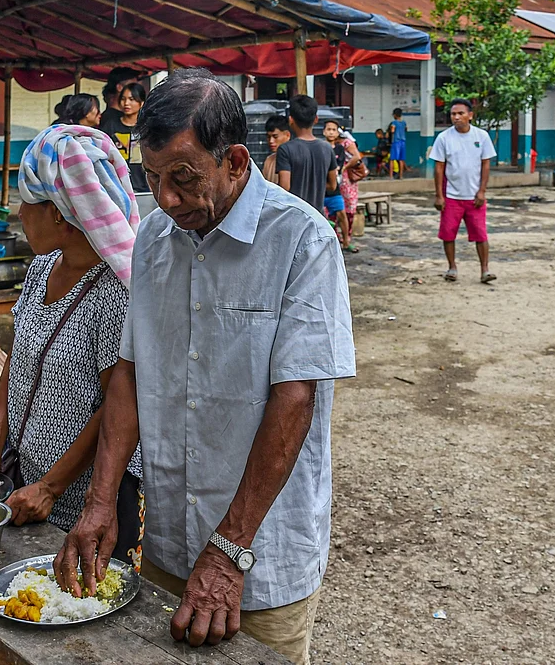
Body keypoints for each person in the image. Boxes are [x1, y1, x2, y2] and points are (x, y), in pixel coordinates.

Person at [57, 68, 355, 665]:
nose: (166, 198)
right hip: (170, 536)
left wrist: (230, 550)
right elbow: (130, 374)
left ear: (237, 162)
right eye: (153, 178)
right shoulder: (153, 240)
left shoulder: (303, 240)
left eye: (184, 179)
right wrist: (99, 500)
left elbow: (296, 399)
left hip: (259, 554)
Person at [0, 124, 144, 566]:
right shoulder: (42, 268)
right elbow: (19, 363)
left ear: (59, 213)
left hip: (83, 498)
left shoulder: (115, 291)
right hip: (27, 479)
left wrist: (52, 485)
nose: (19, 213)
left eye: (26, 203)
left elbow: (118, 408)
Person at [430, 98, 497, 283]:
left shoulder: (481, 136)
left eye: (460, 113)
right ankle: (452, 267)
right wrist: (439, 195)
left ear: (470, 115)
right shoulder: (444, 138)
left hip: (474, 196)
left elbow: (485, 165)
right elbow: (439, 168)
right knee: (448, 233)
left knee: (480, 234)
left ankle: (485, 270)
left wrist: (482, 191)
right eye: (453, 114)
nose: (456, 117)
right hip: (451, 195)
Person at [276, 94, 336, 214]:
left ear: (291, 120)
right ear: (316, 119)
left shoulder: (285, 149)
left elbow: (284, 187)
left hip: (294, 218)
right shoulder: (327, 148)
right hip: (318, 217)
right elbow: (333, 185)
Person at [101, 82, 148, 192]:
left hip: (143, 186)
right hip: (117, 187)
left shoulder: (147, 127)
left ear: (141, 103)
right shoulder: (111, 126)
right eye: (123, 99)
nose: (126, 103)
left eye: (132, 99)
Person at [324, 120, 362, 253]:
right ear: (324, 131)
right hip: (321, 189)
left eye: (334, 130)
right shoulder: (321, 147)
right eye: (328, 129)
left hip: (335, 188)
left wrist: (339, 169)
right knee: (325, 217)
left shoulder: (341, 147)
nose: (331, 132)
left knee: (342, 214)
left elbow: (339, 165)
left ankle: (346, 241)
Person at [261, 114, 290, 184]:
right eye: (268, 137)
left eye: (275, 136)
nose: (271, 141)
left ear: (287, 135)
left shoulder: (294, 159)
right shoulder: (269, 160)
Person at [387, 108, 407, 178]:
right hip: (403, 142)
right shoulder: (404, 123)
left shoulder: (394, 123)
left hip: (396, 142)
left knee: (392, 159)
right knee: (401, 159)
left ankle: (391, 176)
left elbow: (392, 131)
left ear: (395, 115)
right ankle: (401, 176)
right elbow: (406, 129)